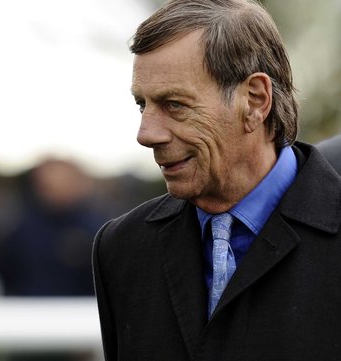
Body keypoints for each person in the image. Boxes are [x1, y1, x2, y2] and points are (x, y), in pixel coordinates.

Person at [92, 0, 341, 359]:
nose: (146, 133)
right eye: (142, 105)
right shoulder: (123, 248)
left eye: (175, 104)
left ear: (255, 100)